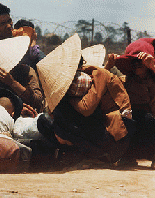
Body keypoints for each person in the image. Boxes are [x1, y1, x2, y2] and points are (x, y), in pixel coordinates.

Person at [36, 34, 134, 165]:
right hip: (100, 131)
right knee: (44, 121)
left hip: (114, 135)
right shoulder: (78, 82)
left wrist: (66, 97)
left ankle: (95, 155)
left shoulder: (98, 75)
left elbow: (86, 109)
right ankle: (79, 153)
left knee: (61, 115)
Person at [104, 38, 155, 168]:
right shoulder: (127, 81)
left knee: (149, 121)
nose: (137, 64)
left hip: (154, 123)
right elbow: (103, 84)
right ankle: (128, 156)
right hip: (134, 121)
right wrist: (108, 66)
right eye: (133, 62)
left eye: (140, 61)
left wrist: (154, 68)